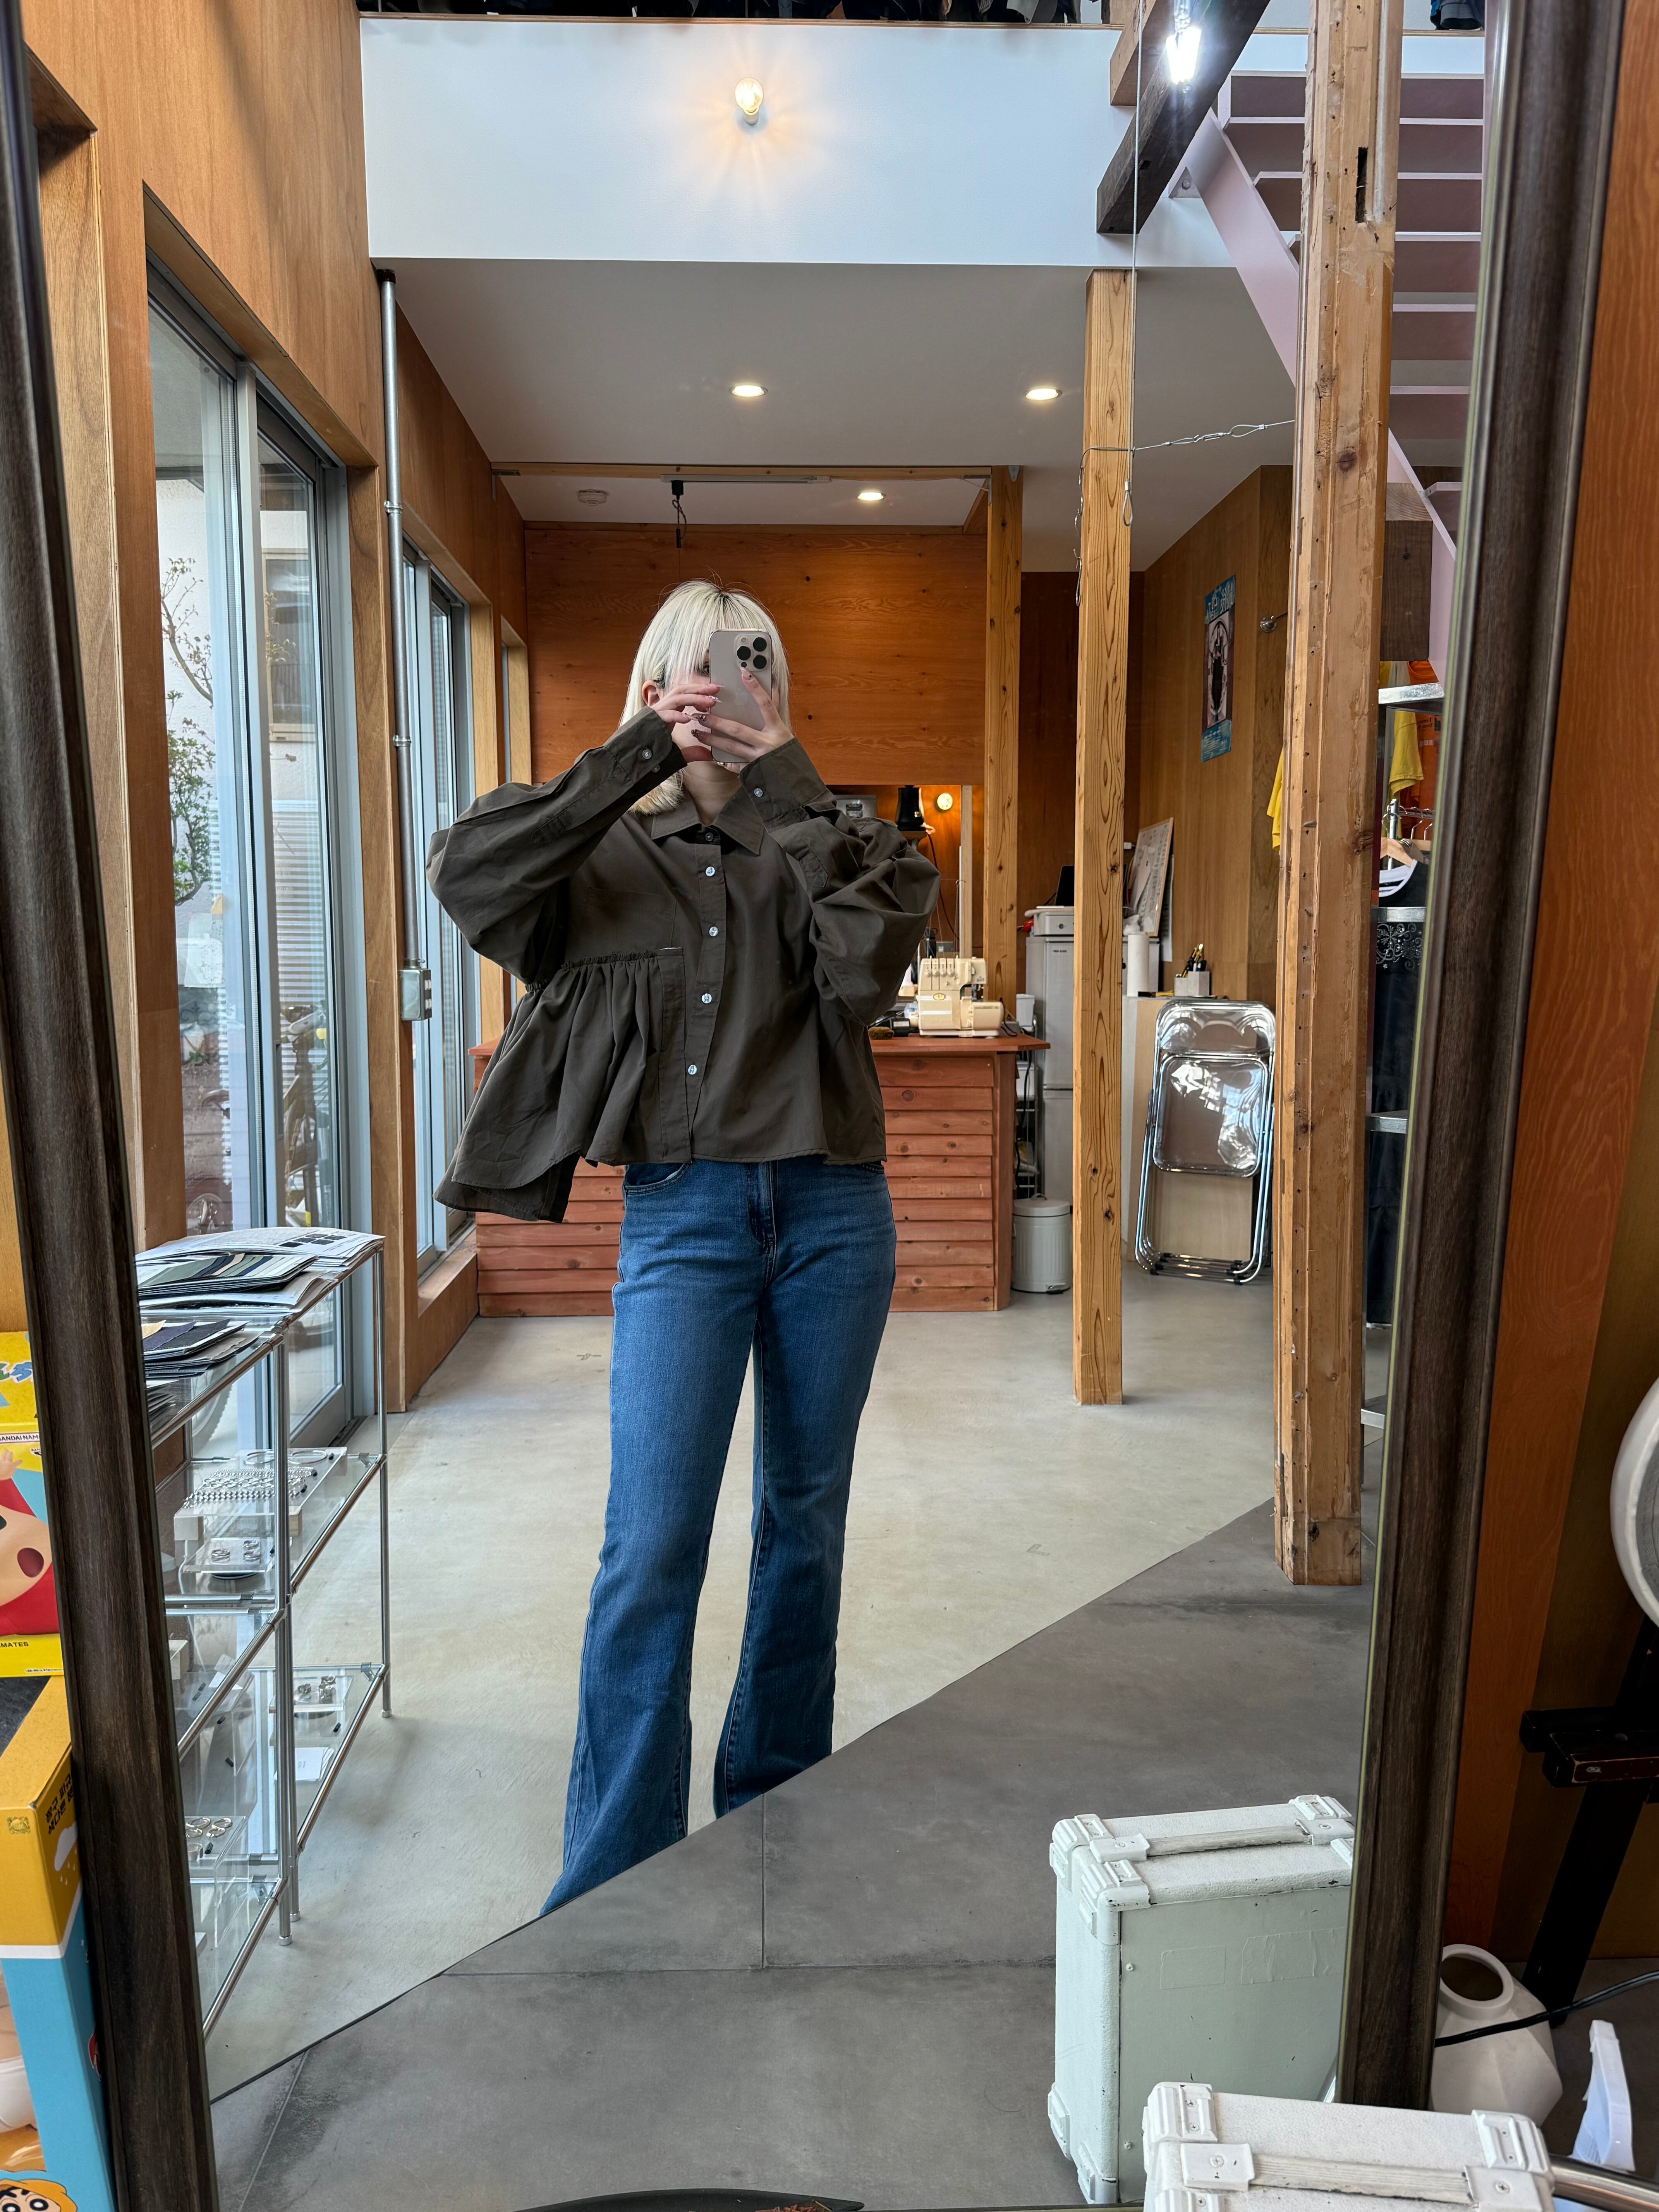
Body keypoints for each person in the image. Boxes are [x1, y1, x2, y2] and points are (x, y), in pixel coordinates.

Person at [427, 580, 937, 1908]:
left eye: (742, 669)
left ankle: (773, 1800)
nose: (717, 694)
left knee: (803, 1522)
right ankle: (615, 1865)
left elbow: (873, 970)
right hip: (683, 1220)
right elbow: (469, 876)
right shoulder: (593, 848)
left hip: (833, 1214)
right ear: (656, 680)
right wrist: (639, 752)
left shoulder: (831, 835)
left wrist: (787, 783)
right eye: (691, 674)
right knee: (651, 1540)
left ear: (774, 681)